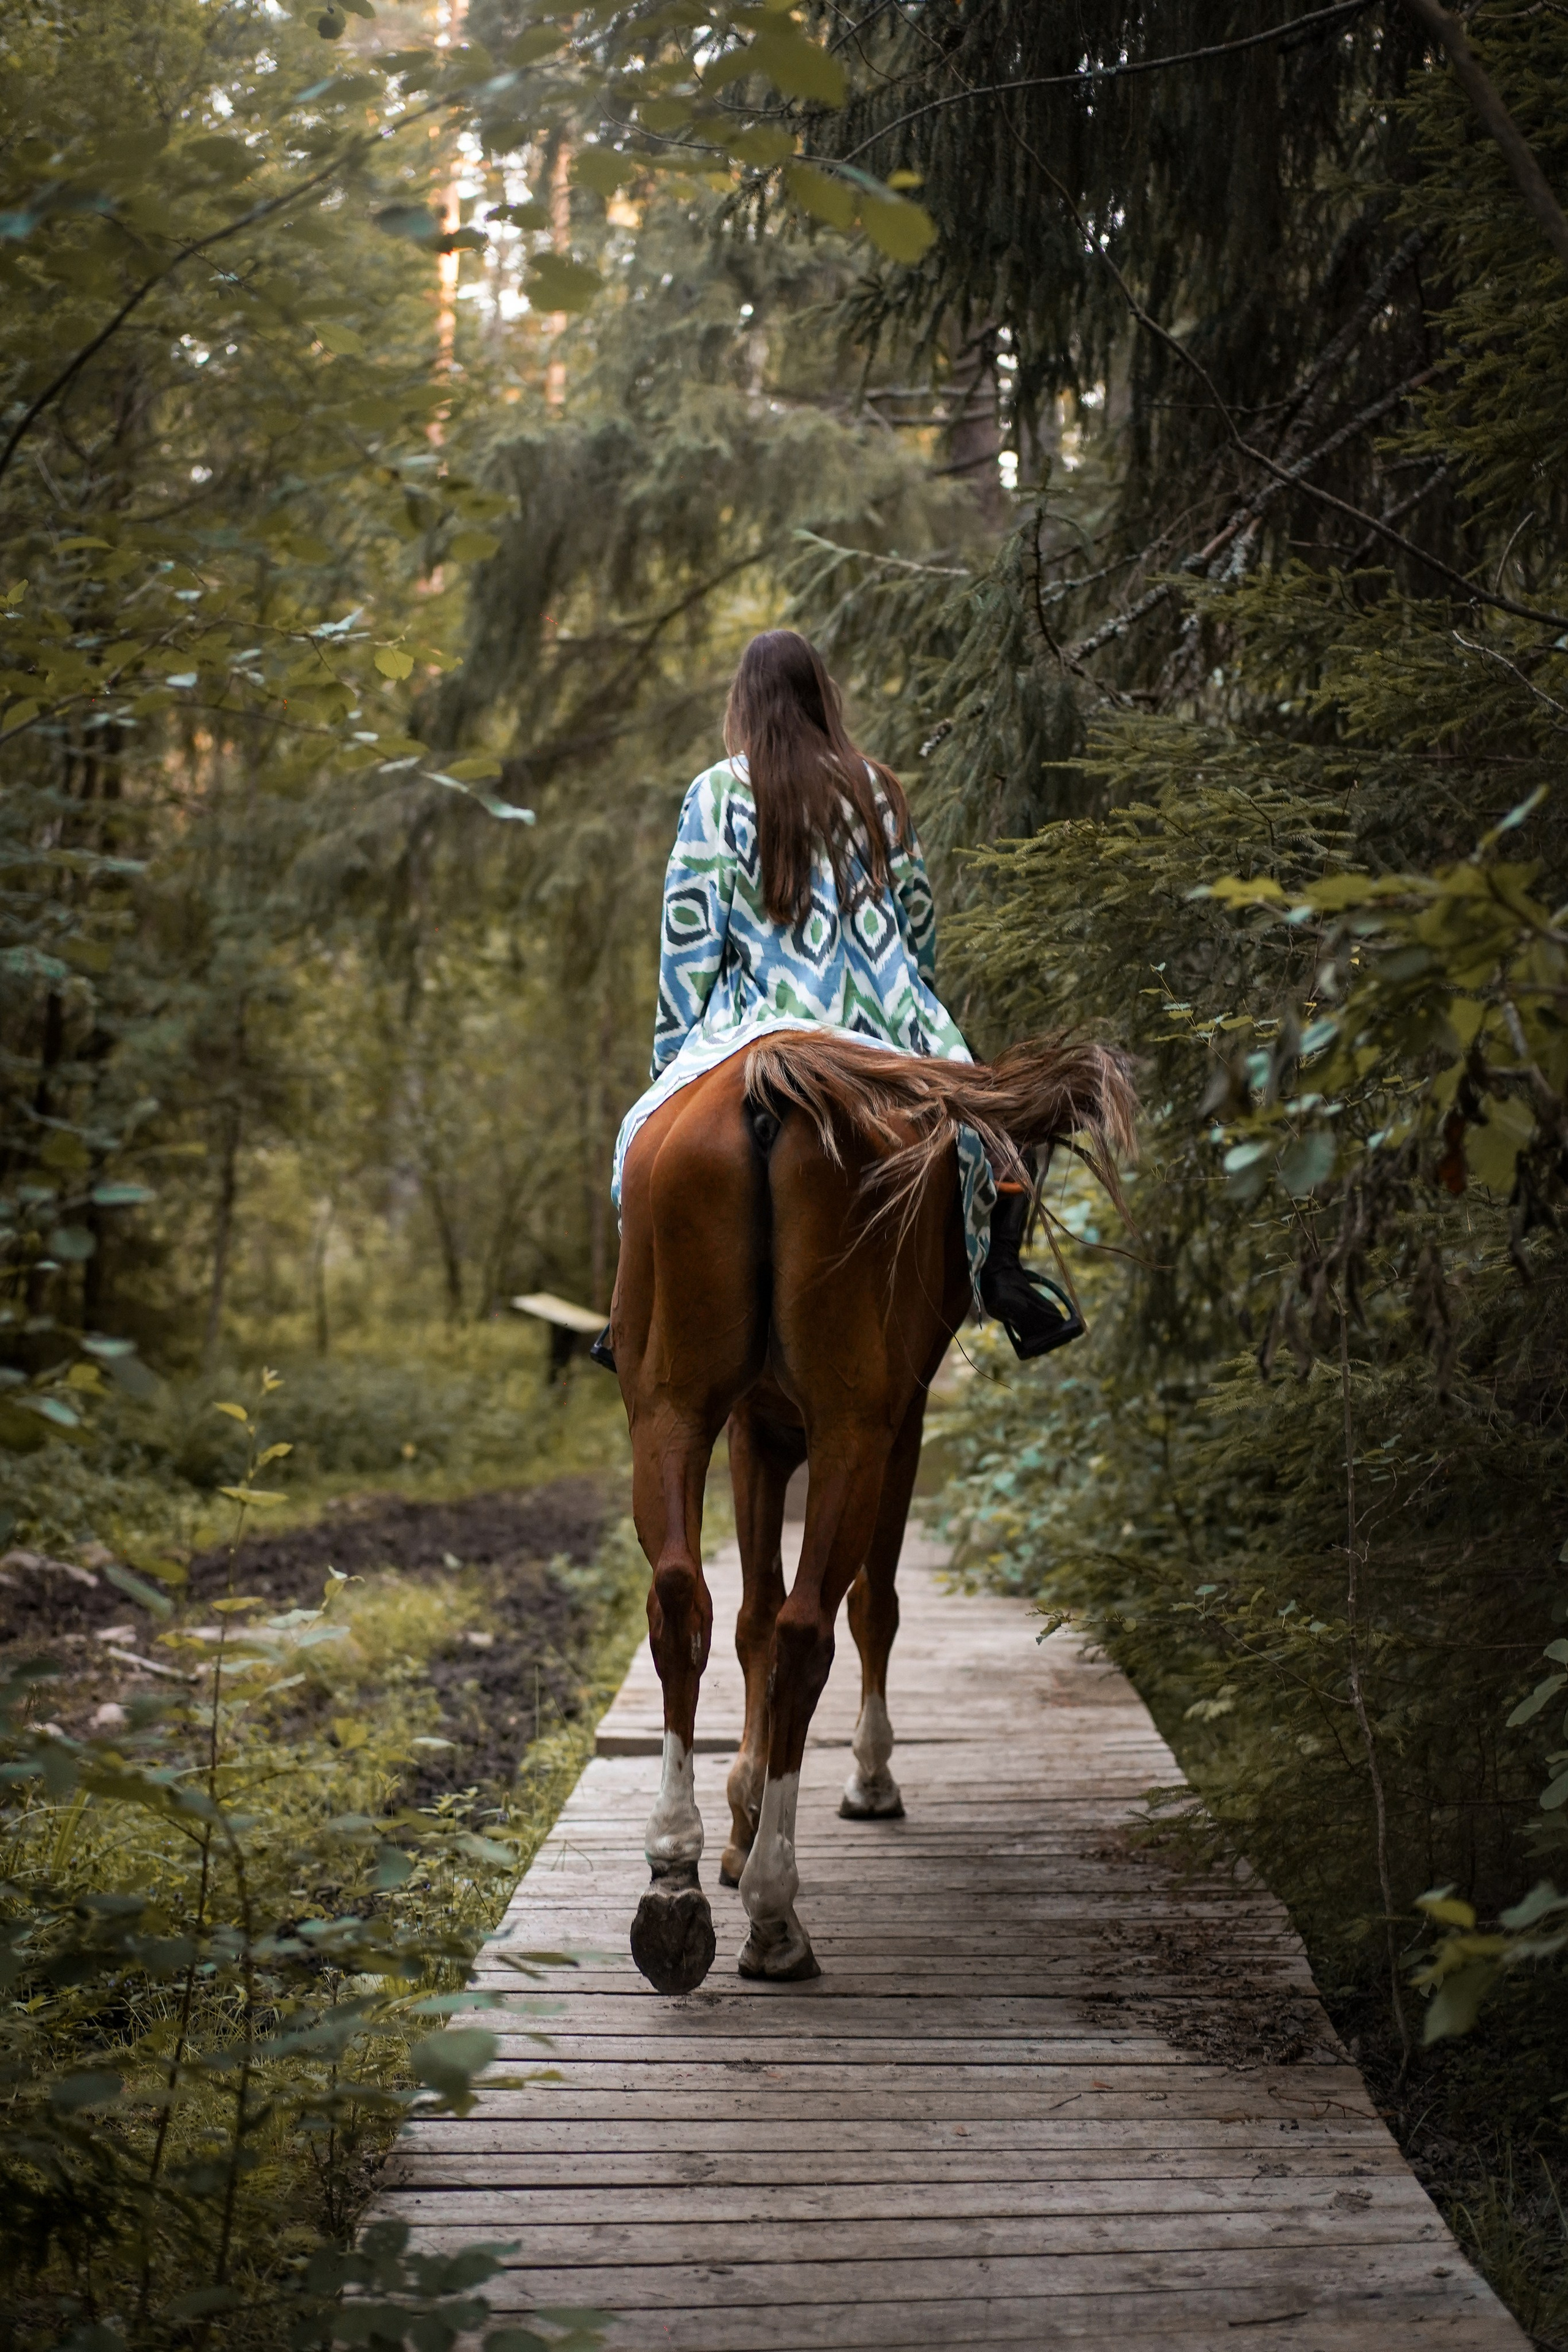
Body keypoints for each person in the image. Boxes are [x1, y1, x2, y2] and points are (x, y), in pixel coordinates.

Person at [593, 628, 1079, 1368]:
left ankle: (633, 1310)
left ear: (743, 702)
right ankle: (1005, 1277)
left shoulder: (717, 790)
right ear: (822, 695)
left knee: (644, 1145)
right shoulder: (877, 788)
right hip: (879, 1015)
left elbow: (689, 937)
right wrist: (917, 1004)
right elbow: (918, 923)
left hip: (748, 1019)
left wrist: (671, 1065)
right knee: (997, 1127)